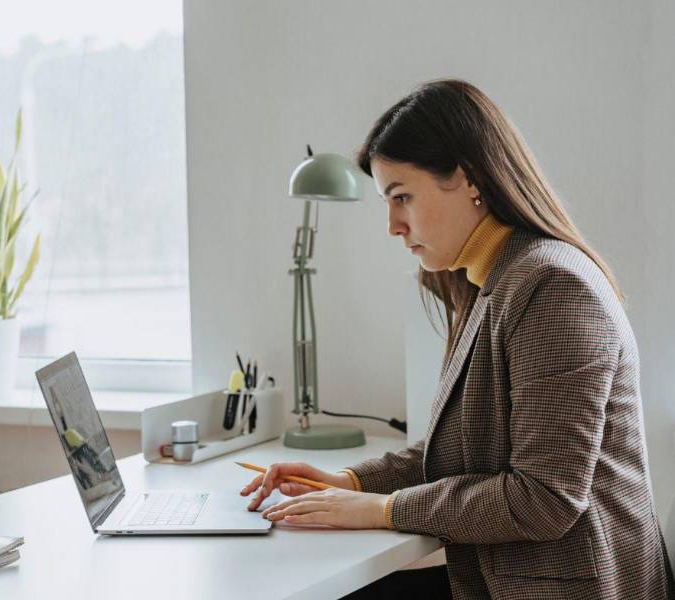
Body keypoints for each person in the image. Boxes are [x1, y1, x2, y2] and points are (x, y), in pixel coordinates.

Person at [240, 79, 675, 599]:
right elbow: (466, 448)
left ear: (469, 179)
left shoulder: (554, 287)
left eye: (402, 197)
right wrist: (351, 484)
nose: (392, 227)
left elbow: (545, 499)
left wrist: (384, 509)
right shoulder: (486, 280)